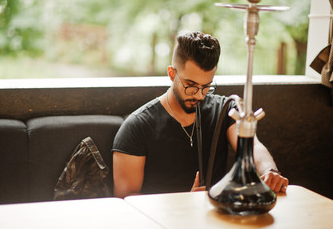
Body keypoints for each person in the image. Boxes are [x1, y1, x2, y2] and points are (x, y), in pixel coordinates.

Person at [112, 31, 288, 198]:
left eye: (206, 86)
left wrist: (269, 171)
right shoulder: (137, 127)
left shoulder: (225, 110)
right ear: (172, 74)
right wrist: (183, 203)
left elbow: (252, 147)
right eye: (191, 85)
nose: (199, 95)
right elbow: (126, 199)